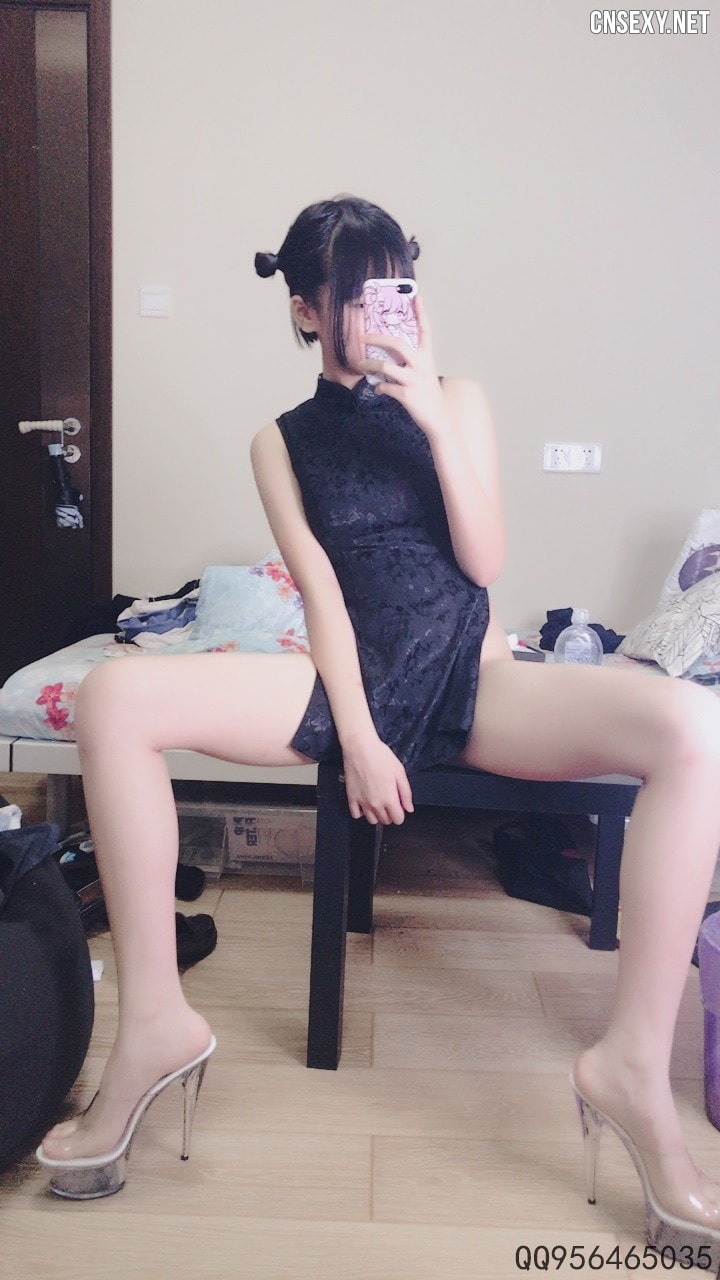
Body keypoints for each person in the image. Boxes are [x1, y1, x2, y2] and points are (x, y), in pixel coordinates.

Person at [37, 195, 720, 1258]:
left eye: (395, 283)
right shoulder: (280, 441)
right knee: (112, 697)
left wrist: (434, 416)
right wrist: (355, 734)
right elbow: (319, 591)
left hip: (474, 679)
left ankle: (630, 1064)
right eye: (354, 293)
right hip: (347, 676)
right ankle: (154, 1028)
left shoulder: (460, 399)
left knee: (692, 723)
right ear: (307, 310)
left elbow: (485, 562)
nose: (380, 310)